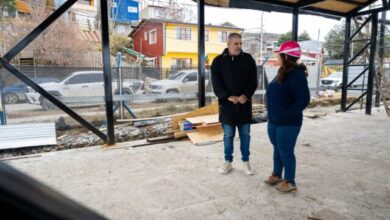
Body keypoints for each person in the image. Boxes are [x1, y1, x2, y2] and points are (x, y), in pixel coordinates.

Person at [264, 41, 311, 193]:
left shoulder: (296, 75)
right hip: (275, 120)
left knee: (285, 151)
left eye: (279, 54)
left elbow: (304, 99)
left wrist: (286, 115)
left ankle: (290, 181)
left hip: (288, 123)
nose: (277, 56)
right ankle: (277, 174)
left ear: (285, 56)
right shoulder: (283, 71)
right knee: (277, 148)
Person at [210, 32, 258, 175]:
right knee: (228, 136)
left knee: (245, 135)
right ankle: (228, 162)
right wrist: (228, 96)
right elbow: (216, 83)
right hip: (227, 106)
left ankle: (246, 162)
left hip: (244, 105)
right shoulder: (218, 61)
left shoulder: (248, 59)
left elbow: (253, 81)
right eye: (236, 43)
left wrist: (246, 95)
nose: (239, 46)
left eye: (240, 43)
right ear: (228, 44)